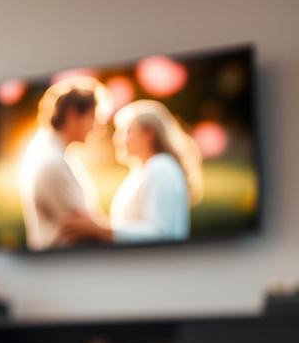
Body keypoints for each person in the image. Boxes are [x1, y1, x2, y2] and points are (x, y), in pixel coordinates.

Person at [57, 99, 204, 245]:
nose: (117, 139)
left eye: (127, 131)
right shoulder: (141, 171)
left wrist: (102, 230)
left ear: (149, 133)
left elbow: (163, 234)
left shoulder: (161, 168)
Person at [18, 76, 110, 251]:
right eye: (94, 117)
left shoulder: (53, 153)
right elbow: (86, 225)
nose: (98, 127)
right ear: (73, 114)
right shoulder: (52, 161)